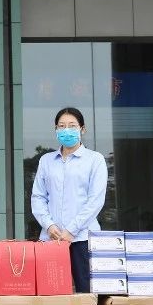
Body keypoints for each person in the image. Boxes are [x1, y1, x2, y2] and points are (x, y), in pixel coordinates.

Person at [30, 106, 108, 294]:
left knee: (87, 293)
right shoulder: (46, 160)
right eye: (61, 126)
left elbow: (95, 200)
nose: (67, 130)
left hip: (83, 238)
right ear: (56, 130)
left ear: (82, 129)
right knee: (51, 293)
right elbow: (38, 197)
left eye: (72, 126)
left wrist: (72, 230)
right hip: (51, 238)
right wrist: (49, 225)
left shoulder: (95, 159)